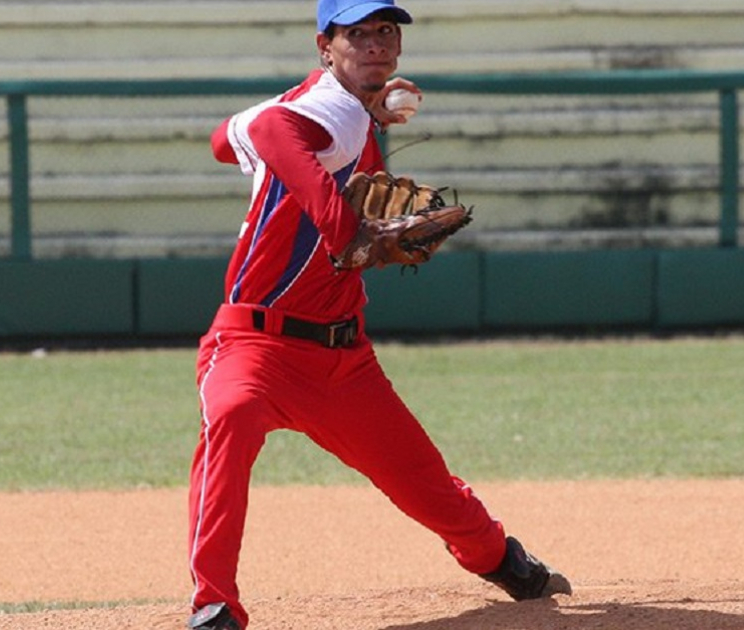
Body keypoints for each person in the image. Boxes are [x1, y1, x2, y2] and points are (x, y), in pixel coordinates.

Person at [186, 1, 571, 628]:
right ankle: (214, 605)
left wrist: (368, 114)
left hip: (342, 358)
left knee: (421, 478)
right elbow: (270, 133)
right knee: (227, 420)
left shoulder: (347, 111)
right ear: (325, 44)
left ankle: (499, 557)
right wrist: (346, 229)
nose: (375, 43)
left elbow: (221, 141)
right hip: (255, 344)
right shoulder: (326, 112)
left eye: (386, 31)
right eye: (357, 33)